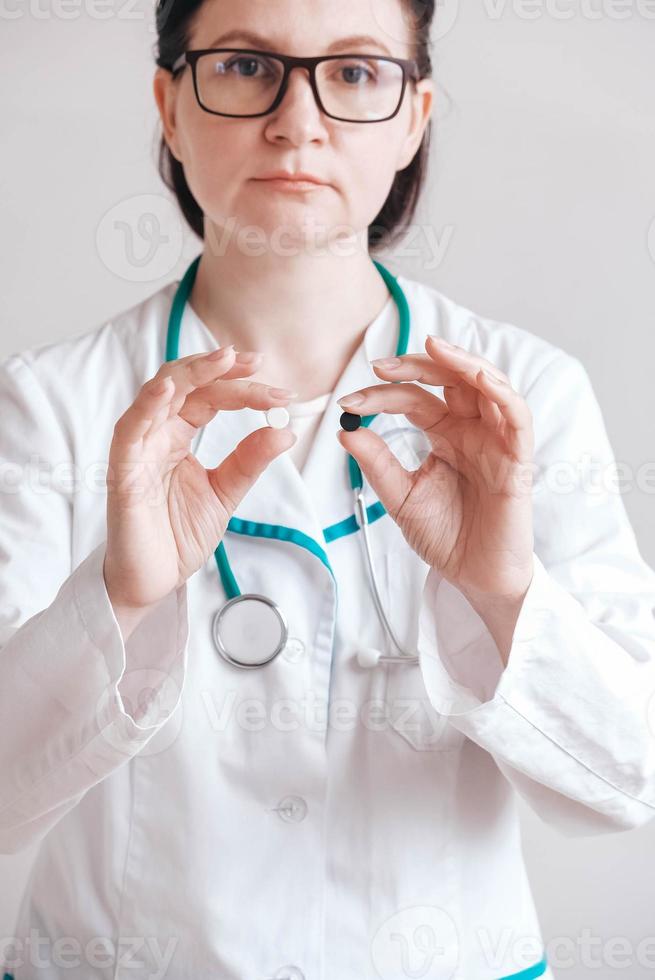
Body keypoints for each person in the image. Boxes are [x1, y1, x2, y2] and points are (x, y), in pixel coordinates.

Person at [1, 1, 654, 978]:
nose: (296, 121)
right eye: (243, 66)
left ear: (414, 115)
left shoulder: (527, 396)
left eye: (353, 73)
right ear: (169, 106)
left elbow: (630, 779)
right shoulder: (52, 402)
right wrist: (119, 596)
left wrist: (505, 592)